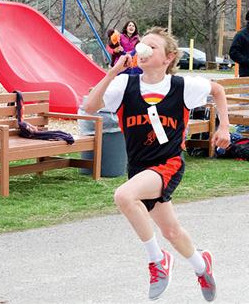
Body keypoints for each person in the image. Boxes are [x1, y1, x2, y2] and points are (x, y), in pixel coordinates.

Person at [84, 27, 230, 302]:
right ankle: (202, 266)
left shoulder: (183, 87)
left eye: (152, 47)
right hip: (139, 168)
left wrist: (225, 127)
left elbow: (218, 90)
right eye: (142, 45)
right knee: (171, 231)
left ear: (168, 57)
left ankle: (158, 260)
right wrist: (113, 72)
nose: (144, 50)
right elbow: (90, 107)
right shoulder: (123, 85)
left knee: (123, 195)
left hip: (168, 163)